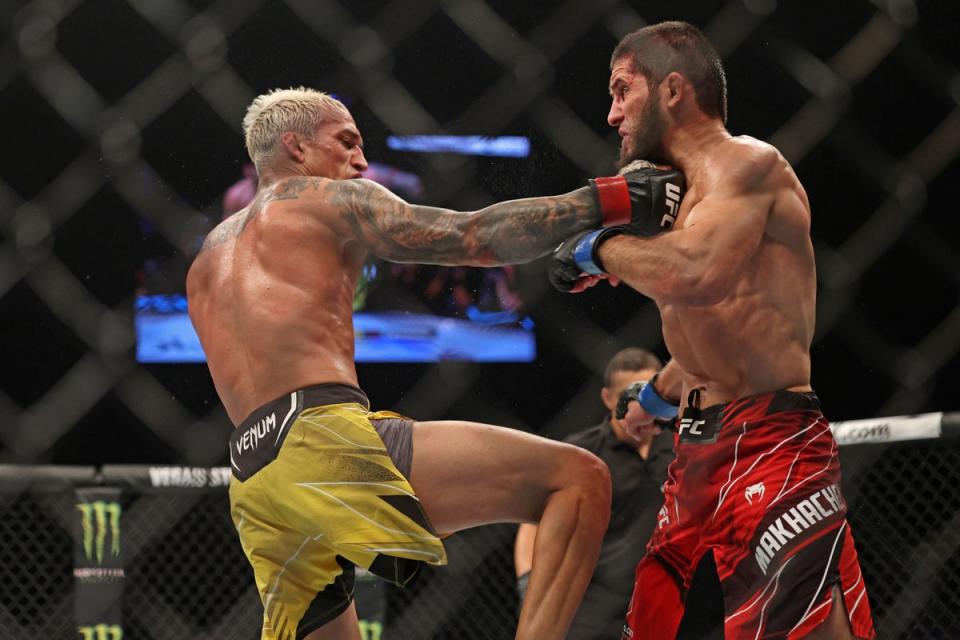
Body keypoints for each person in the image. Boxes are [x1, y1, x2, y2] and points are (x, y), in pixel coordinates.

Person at [186, 87, 684, 639]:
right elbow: (474, 237)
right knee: (580, 478)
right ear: (296, 148)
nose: (362, 161)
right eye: (346, 142)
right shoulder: (328, 200)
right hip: (322, 440)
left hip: (255, 480)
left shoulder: (207, 259)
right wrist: (611, 199)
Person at [548, 21, 876, 640]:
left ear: (674, 89)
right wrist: (651, 400)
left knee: (794, 625)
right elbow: (715, 339)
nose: (612, 113)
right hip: (695, 450)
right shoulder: (688, 201)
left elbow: (697, 276)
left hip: (767, 438)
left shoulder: (747, 163)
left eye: (623, 91)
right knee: (652, 614)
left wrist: (599, 248)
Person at [514, 348, 674, 639]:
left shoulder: (680, 449)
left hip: (665, 601)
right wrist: (529, 580)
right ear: (608, 398)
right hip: (589, 606)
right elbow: (531, 521)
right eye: (631, 395)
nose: (641, 404)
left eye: (648, 393)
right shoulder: (581, 454)